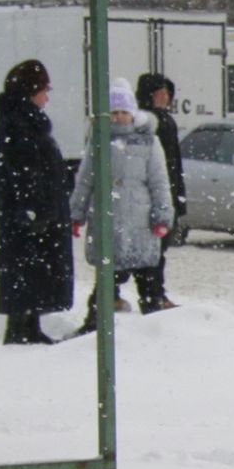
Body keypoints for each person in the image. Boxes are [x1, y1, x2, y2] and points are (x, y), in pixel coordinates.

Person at [68, 78, 174, 336]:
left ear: (133, 113)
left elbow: (159, 182)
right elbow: (85, 180)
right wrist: (76, 214)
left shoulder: (148, 143)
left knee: (148, 278)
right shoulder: (99, 142)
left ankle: (156, 329)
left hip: (140, 223)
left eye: (123, 112)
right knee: (106, 279)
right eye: (114, 113)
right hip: (108, 223)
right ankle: (95, 324)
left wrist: (162, 216)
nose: (118, 118)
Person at [0, 59, 73, 346]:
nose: (47, 97)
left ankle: (29, 324)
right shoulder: (18, 123)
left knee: (31, 274)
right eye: (44, 89)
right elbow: (23, 171)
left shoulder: (23, 121)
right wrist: (34, 209)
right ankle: (21, 327)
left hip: (33, 215)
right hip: (28, 218)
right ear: (31, 90)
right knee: (27, 272)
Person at [135, 72, 185, 310]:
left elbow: (174, 163)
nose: (165, 97)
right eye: (160, 92)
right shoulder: (151, 123)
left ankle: (154, 293)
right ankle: (153, 294)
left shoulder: (163, 121)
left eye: (167, 92)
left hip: (166, 191)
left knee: (157, 249)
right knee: (153, 249)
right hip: (157, 193)